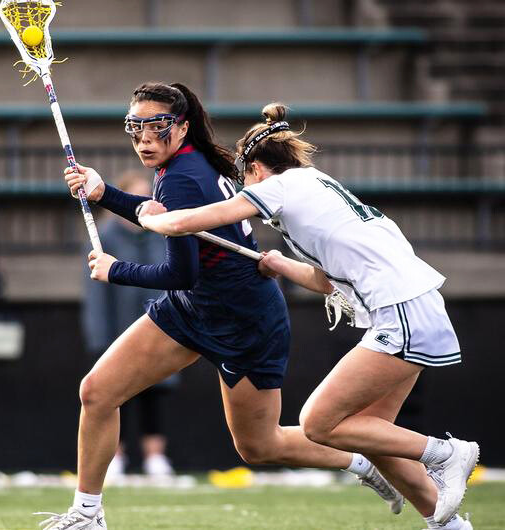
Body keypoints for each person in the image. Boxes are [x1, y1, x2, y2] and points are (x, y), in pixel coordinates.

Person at [37, 83, 403, 530]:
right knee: (97, 391)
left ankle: (366, 462)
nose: (145, 139)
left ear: (182, 126)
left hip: (242, 321)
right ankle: (87, 515)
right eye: (136, 128)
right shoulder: (184, 165)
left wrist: (116, 271)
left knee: (259, 446)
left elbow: (181, 272)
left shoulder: (184, 176)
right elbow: (161, 215)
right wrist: (103, 193)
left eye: (157, 126)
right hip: (193, 309)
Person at [137, 102, 479, 530]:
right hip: (408, 307)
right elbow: (326, 282)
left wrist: (150, 216)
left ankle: (445, 454)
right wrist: (279, 264)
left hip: (400, 311)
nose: (246, 187)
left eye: (246, 179)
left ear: (257, 169)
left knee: (318, 422)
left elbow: (197, 220)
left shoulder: (280, 187)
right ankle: (449, 526)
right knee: (371, 435)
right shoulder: (315, 185)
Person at [80, 170, 174, 479]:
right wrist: (99, 334)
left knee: (155, 391)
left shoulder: (161, 234)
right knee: (113, 393)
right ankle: (114, 456)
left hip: (158, 324)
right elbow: (95, 291)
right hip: (119, 326)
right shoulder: (105, 236)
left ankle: (154, 456)